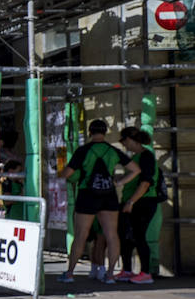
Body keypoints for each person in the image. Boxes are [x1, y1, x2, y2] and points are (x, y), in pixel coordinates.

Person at [59, 119, 127, 284]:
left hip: (87, 194)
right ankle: (110, 275)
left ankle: (69, 273)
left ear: (90, 132)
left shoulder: (83, 151)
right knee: (112, 235)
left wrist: (65, 174)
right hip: (109, 194)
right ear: (105, 132)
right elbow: (135, 169)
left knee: (81, 235)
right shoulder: (113, 151)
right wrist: (119, 182)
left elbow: (66, 174)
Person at [114, 127, 162, 285]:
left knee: (139, 236)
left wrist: (131, 202)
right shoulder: (138, 156)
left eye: (123, 141)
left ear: (130, 139)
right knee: (126, 236)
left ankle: (146, 273)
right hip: (134, 202)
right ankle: (127, 270)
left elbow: (145, 183)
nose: (123, 145)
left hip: (143, 202)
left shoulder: (146, 156)